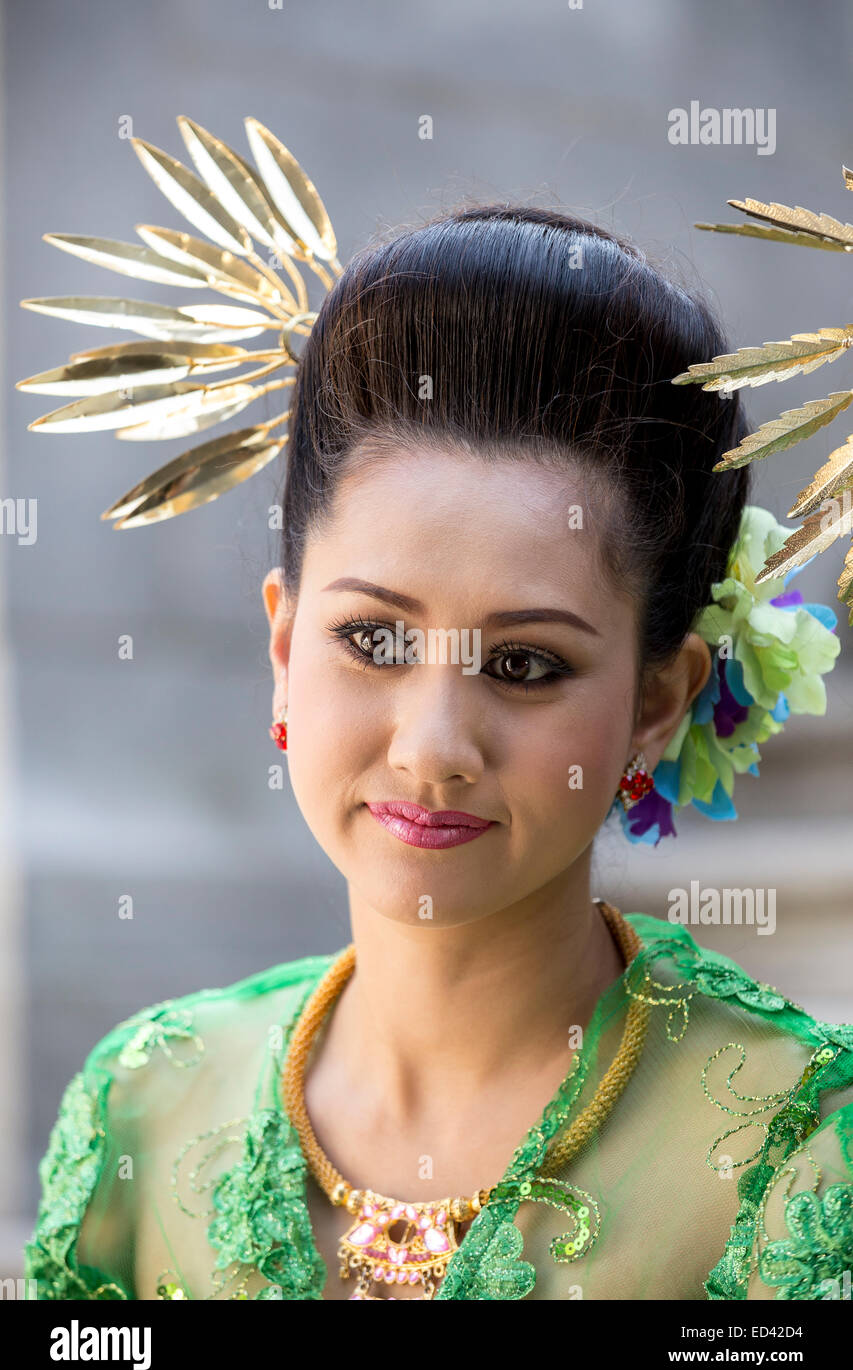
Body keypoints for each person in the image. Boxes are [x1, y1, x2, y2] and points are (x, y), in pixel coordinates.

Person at [24, 204, 853, 1301]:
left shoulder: (792, 1158)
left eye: (523, 665)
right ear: (283, 645)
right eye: (372, 640)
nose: (432, 749)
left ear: (659, 700)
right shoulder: (143, 1107)